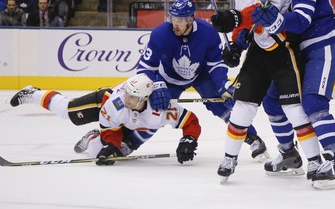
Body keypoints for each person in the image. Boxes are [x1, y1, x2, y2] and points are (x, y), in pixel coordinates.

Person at [211, 0, 322, 183]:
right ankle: (230, 157)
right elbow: (243, 26)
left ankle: (315, 160)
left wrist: (235, 17)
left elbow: (265, 11)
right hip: (259, 54)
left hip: (282, 49)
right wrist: (234, 46)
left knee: (294, 109)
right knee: (242, 106)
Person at [251, 0, 335, 189]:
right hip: (297, 54)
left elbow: (302, 19)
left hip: (321, 46)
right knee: (272, 101)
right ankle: (289, 154)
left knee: (314, 103)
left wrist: (276, 20)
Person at [136, 0, 269, 162]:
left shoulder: (208, 32)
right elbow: (145, 67)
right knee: (154, 107)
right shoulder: (161, 33)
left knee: (222, 105)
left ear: (191, 19)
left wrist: (223, 84)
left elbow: (215, 64)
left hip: (201, 75)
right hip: (169, 78)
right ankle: (126, 143)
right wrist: (156, 84)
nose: (175, 24)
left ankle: (253, 138)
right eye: (173, 18)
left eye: (180, 20)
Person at [9, 74, 201, 165]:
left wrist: (189, 139)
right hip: (103, 101)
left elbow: (190, 121)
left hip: (141, 127)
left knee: (113, 154)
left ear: (143, 98)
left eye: (132, 97)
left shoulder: (160, 111)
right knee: (69, 113)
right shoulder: (116, 103)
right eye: (126, 94)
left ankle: (92, 138)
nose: (126, 98)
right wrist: (111, 142)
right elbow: (110, 127)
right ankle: (33, 93)